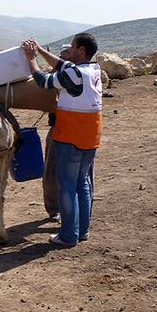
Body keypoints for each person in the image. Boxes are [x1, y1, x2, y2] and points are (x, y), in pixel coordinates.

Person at [22, 33, 102, 247]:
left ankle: (68, 235)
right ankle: (82, 231)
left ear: (81, 50)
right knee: (82, 183)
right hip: (90, 136)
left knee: (66, 186)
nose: (70, 49)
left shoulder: (74, 74)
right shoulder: (93, 70)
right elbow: (62, 64)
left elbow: (44, 81)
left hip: (71, 136)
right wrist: (39, 49)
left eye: (73, 46)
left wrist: (31, 59)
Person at [42, 44, 71, 223]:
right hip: (57, 129)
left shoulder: (72, 75)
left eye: (67, 54)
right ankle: (54, 210)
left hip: (70, 129)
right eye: (62, 56)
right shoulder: (59, 76)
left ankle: (66, 209)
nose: (64, 57)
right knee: (52, 171)